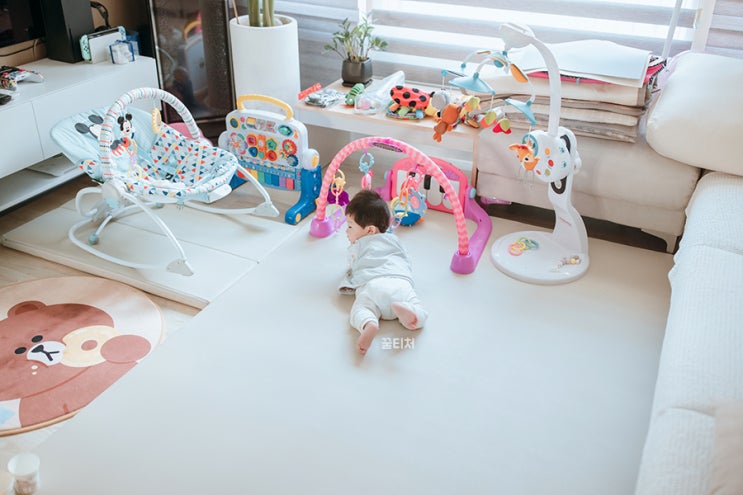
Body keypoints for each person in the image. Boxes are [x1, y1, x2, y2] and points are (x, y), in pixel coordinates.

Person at [338, 189, 428, 355]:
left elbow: (353, 266)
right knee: (418, 306)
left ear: (370, 231)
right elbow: (406, 260)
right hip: (401, 284)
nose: (347, 231)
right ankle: (411, 313)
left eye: (350, 226)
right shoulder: (395, 240)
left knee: (361, 310)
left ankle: (369, 323)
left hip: (373, 285)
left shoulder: (357, 246)